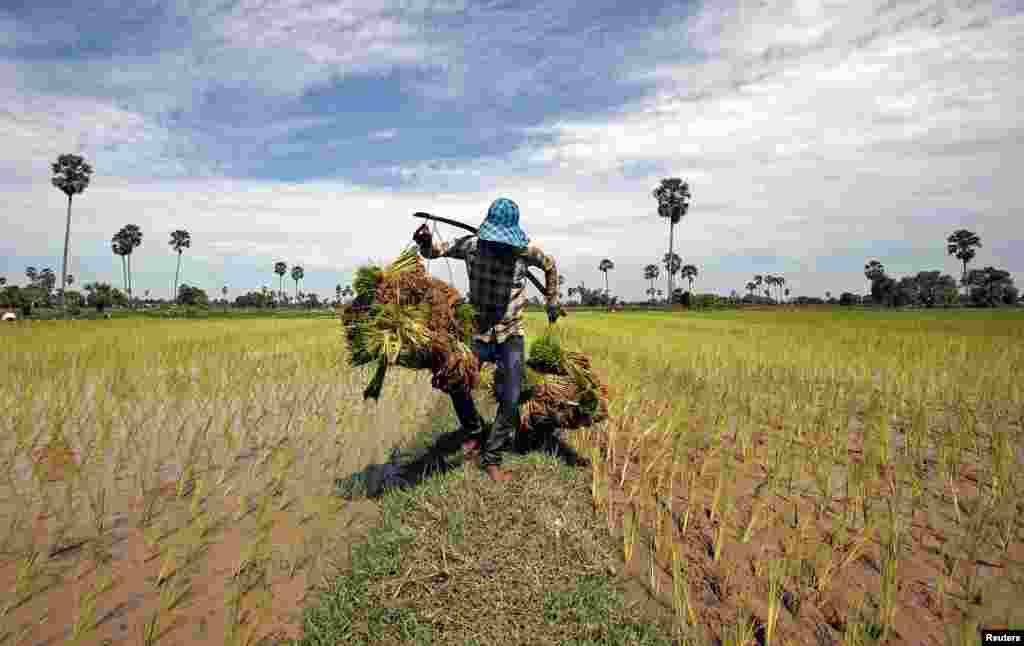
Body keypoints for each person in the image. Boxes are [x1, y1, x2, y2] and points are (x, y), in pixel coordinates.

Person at [414, 197, 560, 483]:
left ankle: (491, 457)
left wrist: (551, 300)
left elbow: (550, 265)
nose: (497, 248)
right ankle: (475, 432)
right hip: (479, 330)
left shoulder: (524, 253)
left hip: (510, 332)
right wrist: (425, 242)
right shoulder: (471, 245)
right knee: (456, 382)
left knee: (511, 396)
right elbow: (434, 252)